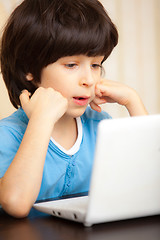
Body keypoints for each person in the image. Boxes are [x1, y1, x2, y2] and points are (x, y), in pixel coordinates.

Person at [0, 0, 148, 218]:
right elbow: (16, 203)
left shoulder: (100, 126)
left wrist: (133, 102)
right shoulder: (8, 134)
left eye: (96, 65)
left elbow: (149, 183)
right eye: (71, 65)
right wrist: (41, 120)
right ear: (30, 69)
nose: (89, 79)